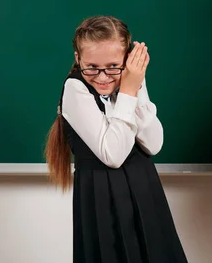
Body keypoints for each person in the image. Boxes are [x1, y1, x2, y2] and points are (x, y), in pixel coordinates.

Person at [44, 15, 188, 263]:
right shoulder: (75, 89)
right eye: (91, 67)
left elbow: (153, 144)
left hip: (144, 190)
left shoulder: (130, 80)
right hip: (103, 198)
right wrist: (129, 91)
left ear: (127, 60)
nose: (102, 77)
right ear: (78, 60)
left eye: (113, 66)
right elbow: (113, 155)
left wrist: (135, 86)